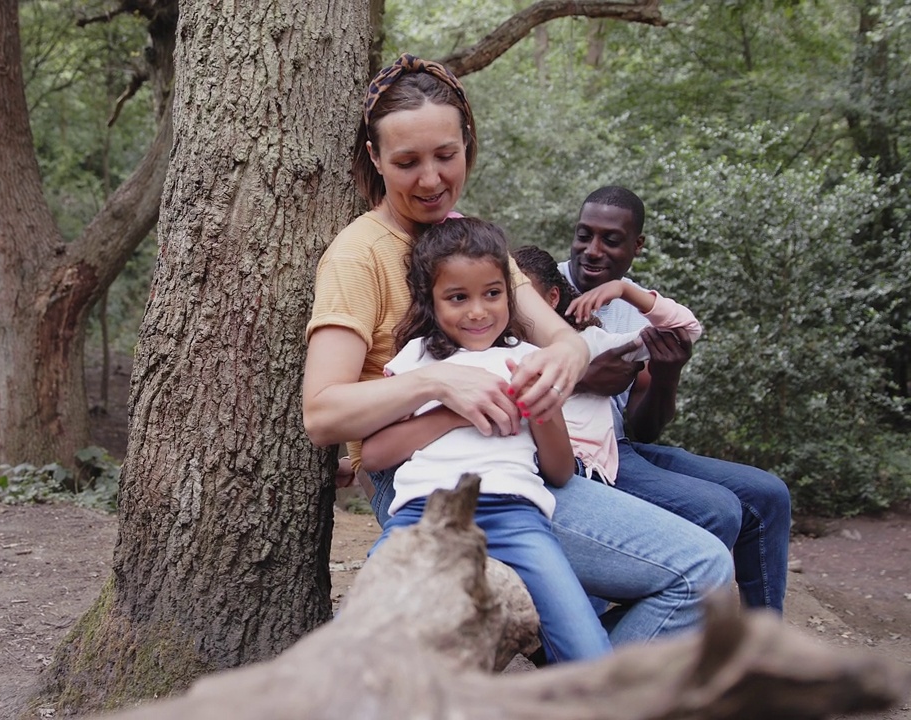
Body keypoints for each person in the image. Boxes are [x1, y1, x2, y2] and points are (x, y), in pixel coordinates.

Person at [302, 54, 732, 647]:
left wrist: (561, 364)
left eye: (445, 156)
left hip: (525, 466)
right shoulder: (358, 257)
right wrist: (438, 386)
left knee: (706, 567)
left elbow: (557, 336)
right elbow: (322, 413)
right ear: (375, 159)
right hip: (425, 479)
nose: (430, 179)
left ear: (468, 144)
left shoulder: (468, 241)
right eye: (407, 162)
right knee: (698, 570)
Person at [365, 217, 611, 663]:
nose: (478, 311)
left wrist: (545, 411)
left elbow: (559, 470)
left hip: (516, 517)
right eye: (458, 297)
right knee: (360, 636)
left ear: (509, 293)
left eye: (492, 294)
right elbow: (375, 455)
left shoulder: (529, 360)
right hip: (422, 516)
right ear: (431, 300)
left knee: (586, 646)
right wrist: (451, 413)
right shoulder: (416, 361)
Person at [560, 185, 792, 612]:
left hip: (621, 447)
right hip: (572, 451)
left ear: (637, 245)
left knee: (769, 494)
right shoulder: (541, 289)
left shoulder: (639, 306)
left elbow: (643, 426)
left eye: (610, 239)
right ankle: (669, 629)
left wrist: (668, 375)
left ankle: (761, 646)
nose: (592, 250)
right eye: (583, 235)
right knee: (717, 509)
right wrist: (583, 378)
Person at [512, 245, 702, 486]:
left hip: (585, 468)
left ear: (553, 298)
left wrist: (626, 291)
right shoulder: (498, 348)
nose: (515, 309)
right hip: (528, 463)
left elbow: (685, 331)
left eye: (526, 299)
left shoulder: (591, 342)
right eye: (505, 297)